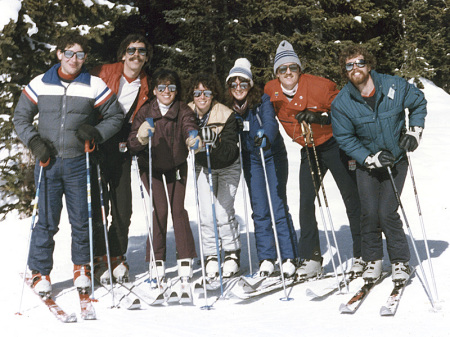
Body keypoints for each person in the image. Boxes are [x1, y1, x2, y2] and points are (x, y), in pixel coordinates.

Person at [13, 33, 123, 295]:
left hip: (78, 163)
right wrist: (35, 143)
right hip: (48, 161)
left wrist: (96, 133)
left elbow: (115, 116)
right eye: (70, 53)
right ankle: (40, 271)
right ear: (59, 54)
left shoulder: (93, 85)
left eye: (81, 55)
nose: (75, 60)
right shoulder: (40, 83)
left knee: (82, 220)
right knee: (46, 221)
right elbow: (21, 118)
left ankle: (81, 267)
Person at [264, 40, 362, 280]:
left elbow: (346, 108)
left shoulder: (319, 86)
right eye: (282, 69)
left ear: (300, 69)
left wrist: (324, 117)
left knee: (351, 196)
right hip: (309, 149)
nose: (288, 73)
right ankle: (311, 257)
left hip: (334, 144)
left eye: (293, 68)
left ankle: (363, 253)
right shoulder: (271, 90)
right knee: (306, 200)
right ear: (276, 73)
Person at [331, 45, 427, 283]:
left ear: (369, 65)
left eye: (360, 63)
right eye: (349, 65)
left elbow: (418, 102)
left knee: (386, 212)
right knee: (369, 212)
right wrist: (368, 158)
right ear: (345, 71)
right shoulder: (342, 103)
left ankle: (400, 261)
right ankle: (372, 259)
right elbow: (345, 138)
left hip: (396, 160)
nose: (355, 68)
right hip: (368, 164)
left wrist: (414, 132)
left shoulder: (392, 85)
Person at [127, 68, 201, 282]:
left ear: (177, 90)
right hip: (151, 168)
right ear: (155, 90)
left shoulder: (183, 110)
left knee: (177, 210)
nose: (166, 91)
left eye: (171, 87)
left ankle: (185, 257)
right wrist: (140, 138)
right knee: (160, 209)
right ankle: (156, 259)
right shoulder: (146, 111)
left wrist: (191, 139)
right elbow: (132, 141)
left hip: (177, 167)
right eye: (161, 87)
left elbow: (190, 126)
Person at [227, 58, 298, 278]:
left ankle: (288, 256)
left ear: (250, 85)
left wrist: (265, 136)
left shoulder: (262, 100)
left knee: (277, 204)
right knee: (259, 207)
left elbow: (270, 122)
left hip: (271, 154)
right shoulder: (229, 108)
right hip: (251, 158)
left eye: (243, 83)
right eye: (234, 84)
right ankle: (267, 257)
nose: (239, 88)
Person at [90, 34, 152, 284]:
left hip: (121, 145)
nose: (136, 55)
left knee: (122, 207)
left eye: (142, 51)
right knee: (96, 206)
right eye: (132, 50)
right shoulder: (102, 71)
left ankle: (116, 255)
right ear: (122, 54)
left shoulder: (148, 84)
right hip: (94, 141)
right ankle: (97, 258)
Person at [186, 73, 241, 278]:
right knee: (206, 214)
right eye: (197, 93)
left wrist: (215, 143)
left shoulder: (225, 114)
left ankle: (232, 252)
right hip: (204, 167)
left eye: (207, 92)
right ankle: (210, 254)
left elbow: (229, 149)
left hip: (228, 166)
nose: (202, 97)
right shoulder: (187, 112)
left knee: (222, 211)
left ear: (213, 94)